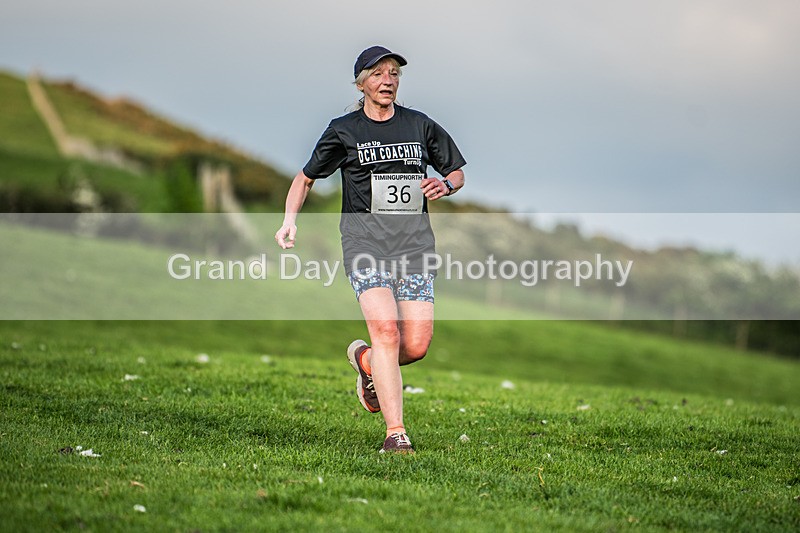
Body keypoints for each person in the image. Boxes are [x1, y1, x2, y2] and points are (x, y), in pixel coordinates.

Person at [275, 46, 466, 454]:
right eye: (378, 74)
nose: (388, 81)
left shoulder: (420, 125)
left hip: (414, 246)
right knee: (386, 331)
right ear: (361, 82)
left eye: (394, 74)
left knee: (414, 346)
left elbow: (456, 171)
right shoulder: (344, 130)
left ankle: (365, 364)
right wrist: (289, 220)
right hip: (364, 244)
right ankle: (396, 434)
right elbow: (305, 178)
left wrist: (445, 185)